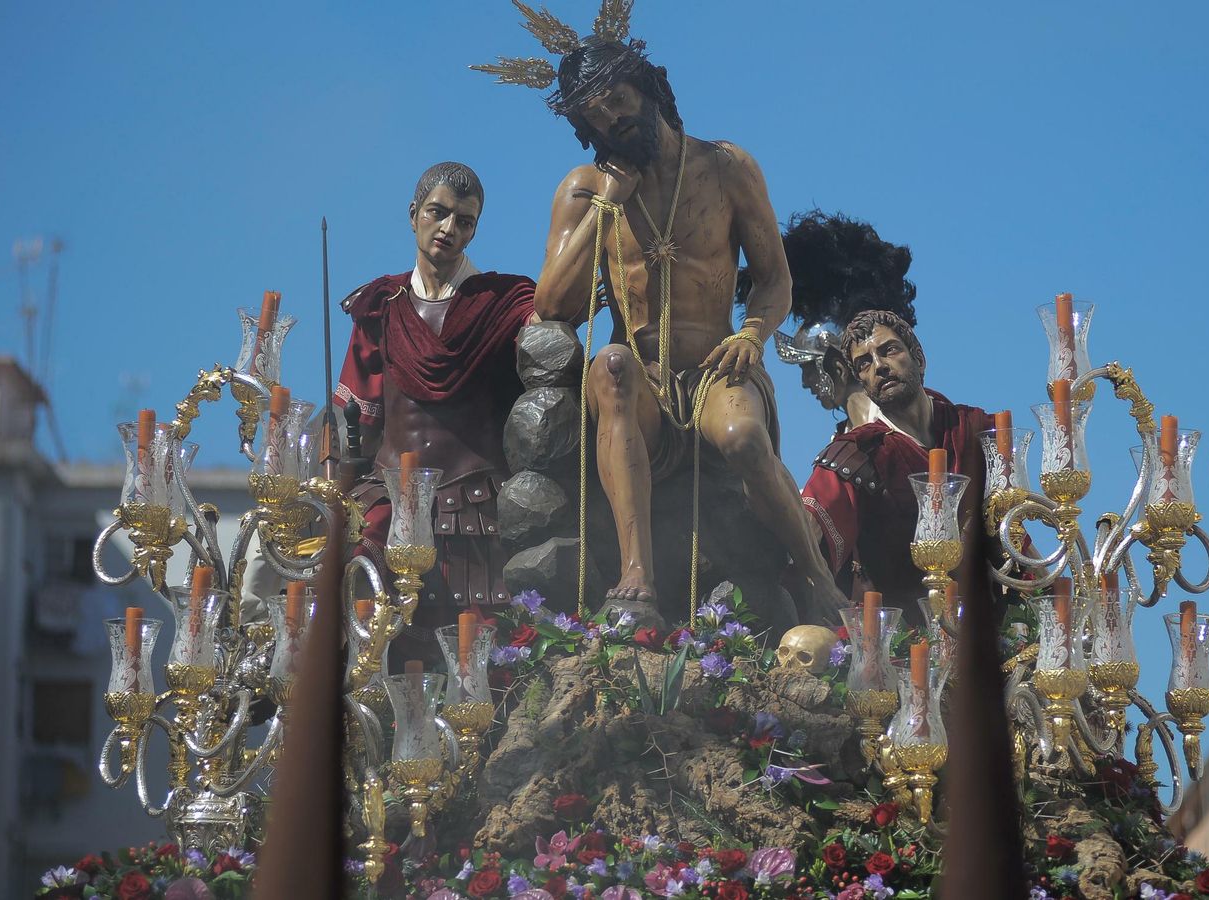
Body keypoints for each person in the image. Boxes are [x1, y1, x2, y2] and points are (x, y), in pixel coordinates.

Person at [491, 17, 847, 623]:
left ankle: (818, 579)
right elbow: (552, 304)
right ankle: (637, 575)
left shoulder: (727, 167)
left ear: (647, 88)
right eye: (594, 117)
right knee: (610, 365)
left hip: (717, 366)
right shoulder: (583, 189)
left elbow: (774, 279)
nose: (612, 122)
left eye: (618, 103)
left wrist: (753, 334)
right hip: (640, 382)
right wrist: (608, 205)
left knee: (742, 439)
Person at [334, 161, 536, 662]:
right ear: (413, 215)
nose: (448, 228)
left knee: (480, 658)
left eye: (463, 220)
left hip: (474, 504)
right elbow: (352, 418)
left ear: (475, 228)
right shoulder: (380, 306)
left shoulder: (503, 303)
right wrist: (327, 503)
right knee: (366, 626)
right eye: (438, 213)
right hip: (387, 496)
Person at [800, 310, 994, 611]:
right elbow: (805, 533)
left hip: (990, 625)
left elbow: (1014, 533)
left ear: (918, 357)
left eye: (888, 350)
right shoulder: (855, 454)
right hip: (903, 640)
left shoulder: (974, 429)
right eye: (864, 363)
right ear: (861, 381)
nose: (879, 367)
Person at [741, 210, 919, 438]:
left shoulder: (898, 426)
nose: (805, 383)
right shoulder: (843, 438)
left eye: (808, 368)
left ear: (838, 367)